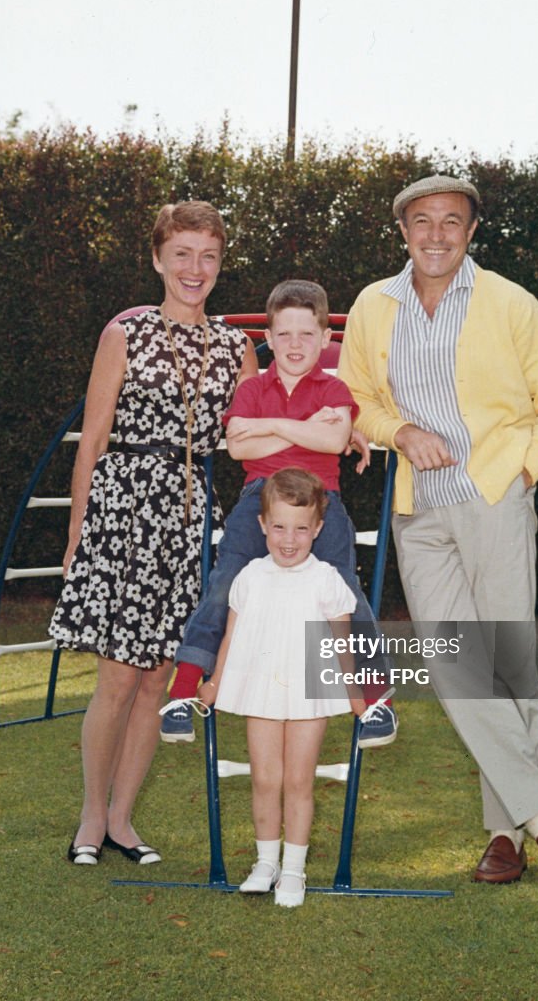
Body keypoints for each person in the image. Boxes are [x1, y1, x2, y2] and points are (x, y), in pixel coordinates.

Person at [337, 174, 538, 890]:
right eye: (423, 221)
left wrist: (526, 470)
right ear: (404, 231)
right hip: (420, 513)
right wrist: (398, 430)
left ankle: (505, 835)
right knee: (454, 668)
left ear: (471, 231)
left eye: (452, 220)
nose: (437, 233)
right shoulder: (372, 306)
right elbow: (353, 397)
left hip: (493, 501)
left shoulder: (510, 302)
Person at [50, 200, 257, 866]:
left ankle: (122, 820)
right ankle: (88, 818)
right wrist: (77, 529)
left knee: (159, 675)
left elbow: (254, 437)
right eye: (183, 255)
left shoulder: (236, 348)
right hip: (125, 512)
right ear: (158, 259)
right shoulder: (126, 335)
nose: (195, 269)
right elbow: (94, 439)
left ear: (220, 264)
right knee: (117, 676)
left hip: (193, 518)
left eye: (209, 256)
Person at [159, 278, 397, 749]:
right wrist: (304, 429)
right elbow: (235, 447)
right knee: (226, 580)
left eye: (306, 334)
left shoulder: (335, 388)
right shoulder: (251, 389)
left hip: (320, 500)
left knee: (346, 591)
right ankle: (184, 689)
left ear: (325, 339)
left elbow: (330, 442)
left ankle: (374, 698)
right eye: (283, 334)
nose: (294, 344)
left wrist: (269, 431)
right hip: (259, 500)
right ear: (266, 338)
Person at [200, 468, 366, 907]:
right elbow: (231, 636)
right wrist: (214, 683)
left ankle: (294, 869)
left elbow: (342, 640)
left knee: (297, 779)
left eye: (299, 529)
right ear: (262, 526)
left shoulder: (327, 578)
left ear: (317, 529)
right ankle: (265, 862)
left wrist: (354, 691)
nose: (288, 540)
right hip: (262, 691)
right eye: (278, 527)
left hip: (312, 692)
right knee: (265, 778)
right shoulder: (250, 577)